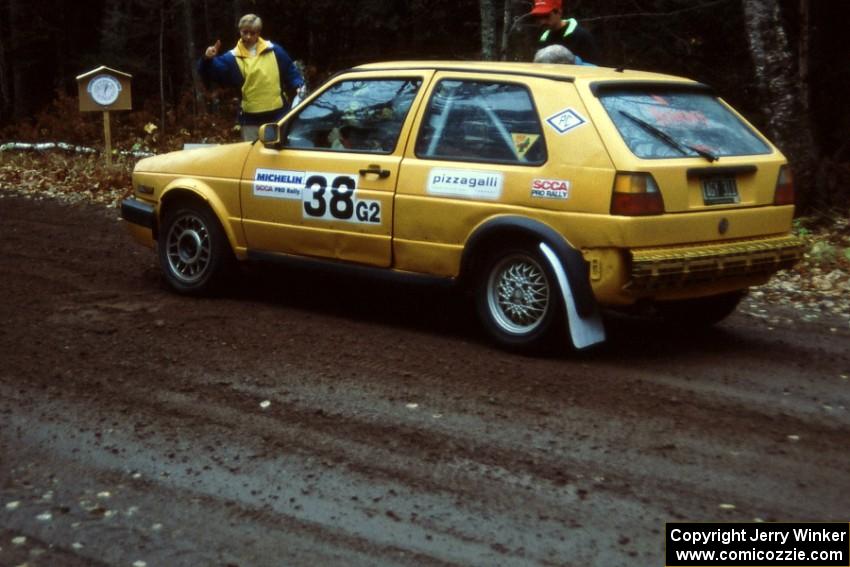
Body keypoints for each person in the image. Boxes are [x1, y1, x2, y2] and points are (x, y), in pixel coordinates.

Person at [199, 14, 304, 141]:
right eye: (245, 32)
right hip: (250, 120)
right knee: (252, 157)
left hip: (278, 116)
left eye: (252, 33)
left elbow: (290, 71)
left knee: (277, 155)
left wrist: (298, 85)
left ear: (259, 33)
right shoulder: (232, 57)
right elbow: (210, 72)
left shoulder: (274, 50)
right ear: (240, 32)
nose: (248, 36)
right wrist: (207, 59)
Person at [528, 0, 600, 65]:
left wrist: (574, 61)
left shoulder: (581, 36)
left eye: (546, 16)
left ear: (559, 12)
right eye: (539, 17)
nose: (542, 21)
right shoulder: (543, 39)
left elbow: (596, 69)